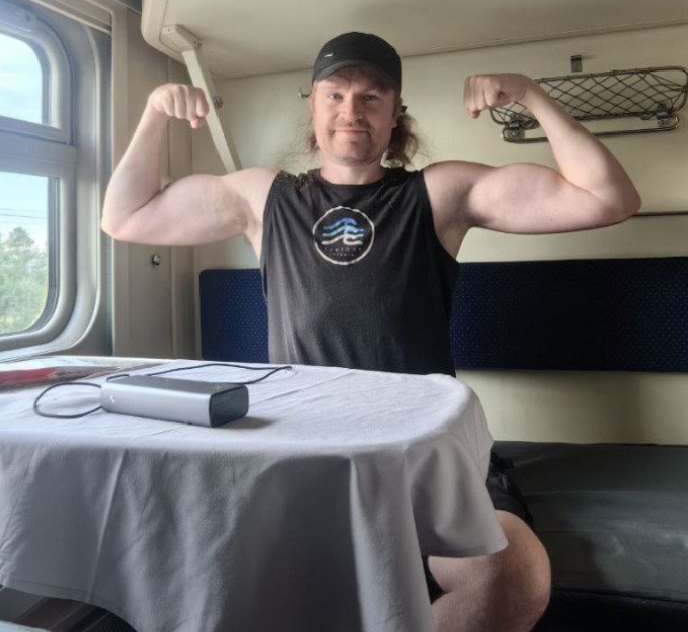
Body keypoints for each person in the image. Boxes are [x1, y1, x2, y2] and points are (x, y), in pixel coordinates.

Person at [102, 31, 640, 631]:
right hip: (304, 445)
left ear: (394, 114)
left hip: (428, 447)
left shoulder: (439, 194)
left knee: (510, 578)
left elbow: (608, 199)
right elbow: (124, 217)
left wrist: (533, 97)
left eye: (371, 96)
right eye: (335, 95)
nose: (351, 111)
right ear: (313, 106)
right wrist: (154, 113)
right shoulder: (263, 198)